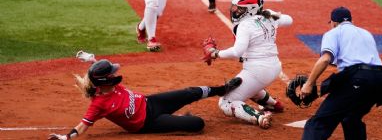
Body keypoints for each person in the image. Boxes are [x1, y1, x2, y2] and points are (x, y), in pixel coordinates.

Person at [48, 59, 242, 139]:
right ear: (104, 81)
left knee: (189, 92)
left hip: (151, 102)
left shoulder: (109, 85)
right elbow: (83, 125)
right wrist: (66, 137)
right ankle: (180, 119)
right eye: (112, 74)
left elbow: (98, 71)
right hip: (147, 122)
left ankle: (222, 89)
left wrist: (93, 60)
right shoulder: (99, 104)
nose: (116, 73)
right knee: (197, 123)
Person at [300, 6, 382, 140]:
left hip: (359, 79)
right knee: (351, 118)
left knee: (318, 124)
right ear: (351, 21)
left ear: (334, 22)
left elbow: (325, 60)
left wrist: (309, 83)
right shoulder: (366, 33)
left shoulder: (334, 33)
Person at [203, 0, 293, 128]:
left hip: (257, 70)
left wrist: (215, 53)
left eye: (239, 8)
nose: (234, 11)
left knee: (225, 102)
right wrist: (273, 14)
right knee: (244, 86)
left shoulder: (245, 25)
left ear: (250, 9)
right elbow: (289, 20)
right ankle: (273, 105)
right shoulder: (268, 16)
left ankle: (259, 118)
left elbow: (237, 52)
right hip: (274, 67)